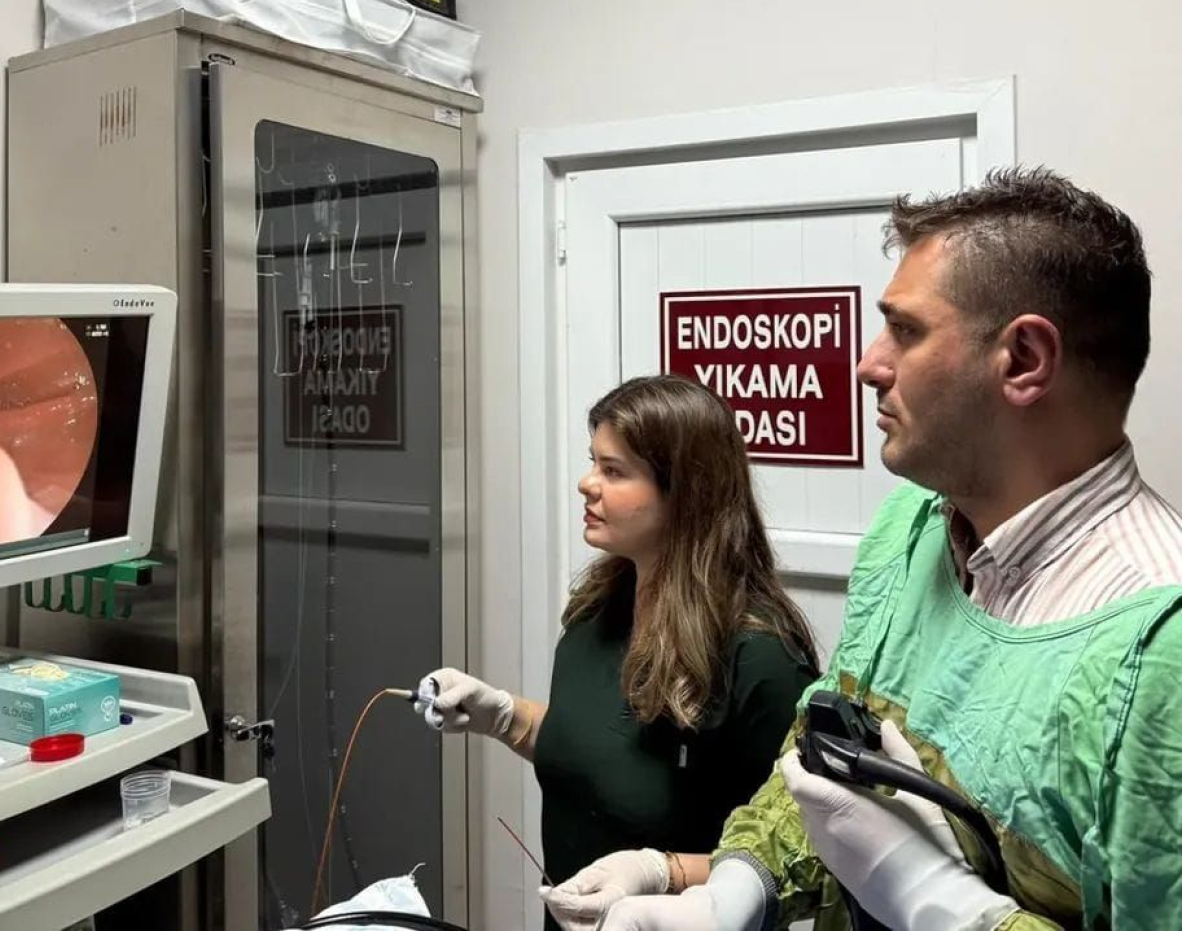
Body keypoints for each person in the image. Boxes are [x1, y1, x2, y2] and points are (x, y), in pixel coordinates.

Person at [603, 167, 1182, 931]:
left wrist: (942, 902)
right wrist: (736, 888)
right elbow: (824, 750)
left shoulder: (1158, 646)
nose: (868, 363)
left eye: (905, 331)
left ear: (1024, 359)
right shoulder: (909, 530)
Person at [416, 375, 818, 930]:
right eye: (593, 463)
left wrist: (660, 872)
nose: (587, 484)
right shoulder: (599, 609)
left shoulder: (760, 657)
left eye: (614, 471)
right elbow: (605, 751)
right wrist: (506, 717)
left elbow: (806, 856)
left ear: (687, 492)